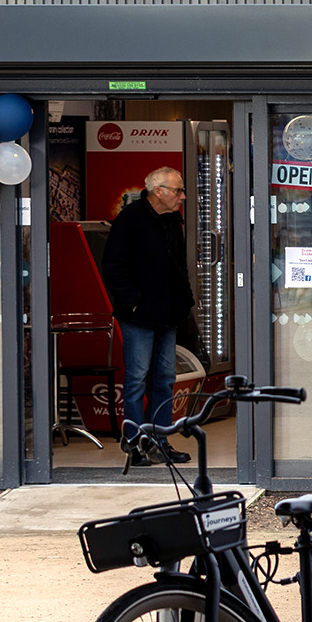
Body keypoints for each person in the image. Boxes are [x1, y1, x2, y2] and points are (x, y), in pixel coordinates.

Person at [101, 166, 195, 466]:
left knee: (165, 379)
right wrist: (133, 303)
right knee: (137, 380)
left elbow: (179, 267)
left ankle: (160, 440)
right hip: (139, 315)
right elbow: (113, 266)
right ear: (159, 192)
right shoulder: (130, 219)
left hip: (167, 313)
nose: (182, 196)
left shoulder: (172, 221)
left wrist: (185, 301)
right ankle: (134, 443)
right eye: (177, 191)